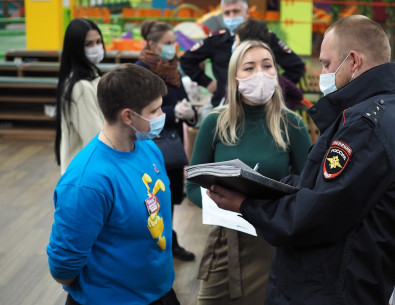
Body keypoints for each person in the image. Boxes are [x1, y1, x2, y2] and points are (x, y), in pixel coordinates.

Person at [205, 15, 395, 305]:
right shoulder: (378, 109)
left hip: (334, 286)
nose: (323, 72)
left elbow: (317, 214)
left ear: (353, 61)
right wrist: (266, 186)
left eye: (327, 64)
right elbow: (320, 185)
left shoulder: (365, 126)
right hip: (342, 277)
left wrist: (246, 204)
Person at [186, 40, 312, 304]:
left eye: (267, 66)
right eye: (249, 67)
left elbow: (307, 188)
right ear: (235, 77)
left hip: (274, 242)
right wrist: (223, 208)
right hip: (227, 241)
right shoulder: (215, 123)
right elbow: (191, 186)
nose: (260, 74)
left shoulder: (292, 123)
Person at [47, 64, 180, 305]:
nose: (163, 115)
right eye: (155, 110)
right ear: (128, 116)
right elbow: (63, 266)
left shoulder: (148, 148)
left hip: (159, 292)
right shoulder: (87, 181)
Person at [136, 19, 197, 261]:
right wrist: (173, 113)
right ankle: (151, 244)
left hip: (171, 145)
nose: (173, 47)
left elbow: (183, 100)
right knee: (149, 199)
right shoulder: (140, 70)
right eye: (168, 43)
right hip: (148, 144)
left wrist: (190, 113)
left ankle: (169, 241)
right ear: (152, 44)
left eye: (174, 42)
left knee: (168, 197)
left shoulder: (173, 68)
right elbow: (140, 111)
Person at [180, 0, 306, 107]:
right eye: (227, 13)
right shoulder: (216, 40)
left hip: (261, 105)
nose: (231, 16)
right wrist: (208, 83)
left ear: (246, 13)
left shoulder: (265, 37)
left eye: (236, 11)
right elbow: (186, 60)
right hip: (224, 103)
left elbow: (296, 67)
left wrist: (274, 87)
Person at [55, 18, 105, 174]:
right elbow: (96, 137)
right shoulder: (79, 87)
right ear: (75, 48)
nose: (96, 48)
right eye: (88, 44)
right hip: (87, 173)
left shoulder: (94, 76)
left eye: (98, 42)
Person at [234, 18, 304, 110]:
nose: (235, 45)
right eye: (249, 68)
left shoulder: (276, 80)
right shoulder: (237, 82)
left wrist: (275, 85)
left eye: (267, 66)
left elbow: (296, 68)